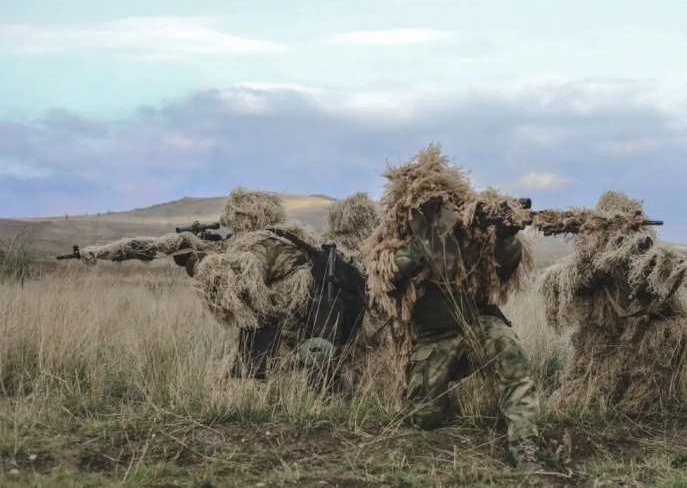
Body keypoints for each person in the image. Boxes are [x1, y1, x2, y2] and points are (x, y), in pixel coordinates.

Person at [361, 144, 544, 471]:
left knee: (511, 352)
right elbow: (384, 272)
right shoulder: (398, 234)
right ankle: (451, 403)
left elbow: (503, 268)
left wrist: (505, 238)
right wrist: (429, 241)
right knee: (424, 417)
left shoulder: (471, 231)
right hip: (435, 337)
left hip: (478, 323)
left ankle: (524, 443)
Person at [536, 190, 687, 415]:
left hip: (641, 337)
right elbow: (556, 281)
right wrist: (593, 276)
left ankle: (639, 408)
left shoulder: (648, 255)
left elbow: (667, 274)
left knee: (666, 340)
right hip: (602, 341)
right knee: (584, 396)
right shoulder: (587, 261)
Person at [180, 187, 368, 387]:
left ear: (244, 219)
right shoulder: (289, 238)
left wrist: (197, 262)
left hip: (291, 327)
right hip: (306, 322)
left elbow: (232, 285)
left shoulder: (264, 245)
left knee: (240, 377)